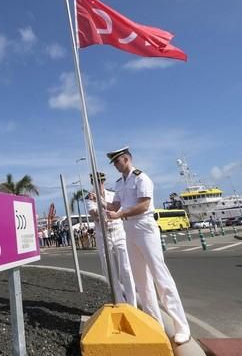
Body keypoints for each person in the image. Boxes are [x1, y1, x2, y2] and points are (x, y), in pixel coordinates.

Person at [104, 146, 191, 345]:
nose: (115, 166)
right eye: (114, 163)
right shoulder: (119, 183)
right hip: (129, 230)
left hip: (144, 227)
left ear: (126, 159)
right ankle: (155, 325)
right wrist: (99, 200)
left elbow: (143, 204)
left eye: (117, 162)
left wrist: (120, 215)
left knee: (160, 276)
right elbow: (115, 205)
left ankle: (182, 326)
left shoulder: (141, 178)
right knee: (141, 281)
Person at [86, 172, 136, 307]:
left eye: (101, 182)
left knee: (126, 268)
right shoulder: (90, 198)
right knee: (109, 269)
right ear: (92, 183)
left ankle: (132, 303)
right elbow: (93, 213)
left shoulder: (112, 194)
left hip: (118, 232)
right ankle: (120, 300)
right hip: (103, 234)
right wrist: (100, 215)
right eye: (96, 182)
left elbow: (116, 207)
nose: (99, 184)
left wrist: (103, 205)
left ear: (104, 182)